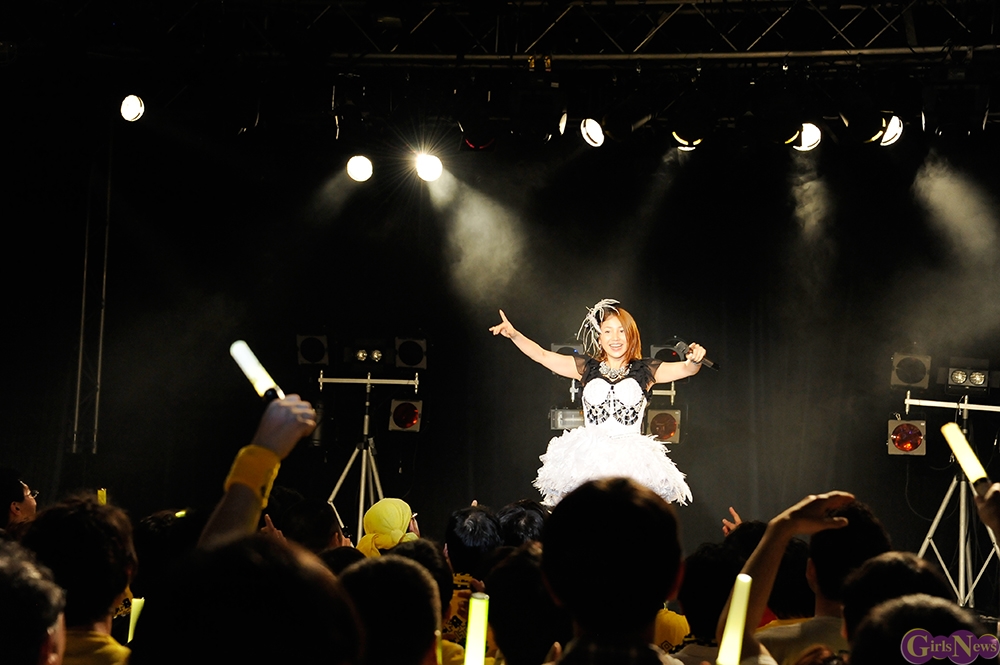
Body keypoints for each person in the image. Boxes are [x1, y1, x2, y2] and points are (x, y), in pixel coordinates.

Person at [490, 299, 706, 505]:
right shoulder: (587, 368)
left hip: (631, 459)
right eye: (608, 331)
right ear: (599, 338)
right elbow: (542, 356)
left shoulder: (645, 370)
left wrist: (695, 360)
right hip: (588, 457)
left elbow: (687, 369)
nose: (615, 338)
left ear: (631, 335)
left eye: (621, 331)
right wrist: (515, 335)